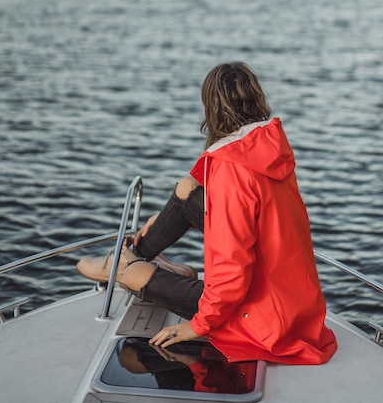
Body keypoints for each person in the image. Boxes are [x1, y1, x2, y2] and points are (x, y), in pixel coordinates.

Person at [77, 62, 337, 365]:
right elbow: (232, 203)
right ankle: (139, 252)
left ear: (212, 108)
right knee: (188, 188)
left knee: (130, 323)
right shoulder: (268, 143)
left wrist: (196, 325)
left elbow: (233, 266)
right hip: (292, 300)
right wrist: (166, 219)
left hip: (261, 317)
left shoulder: (232, 169)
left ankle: (123, 265)